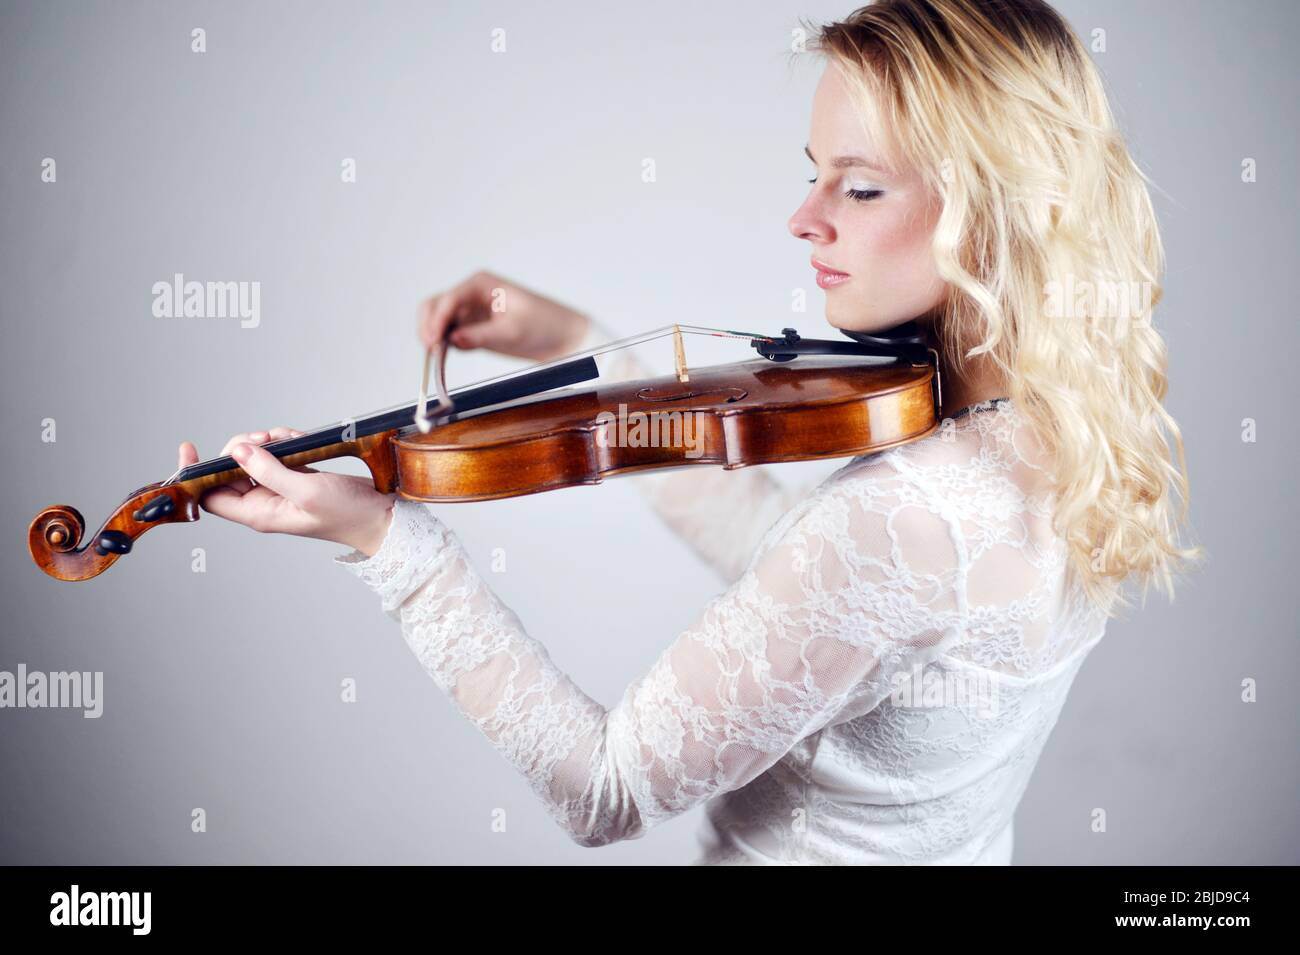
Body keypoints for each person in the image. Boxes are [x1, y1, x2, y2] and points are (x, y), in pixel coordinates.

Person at [176, 0, 1201, 863]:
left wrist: (387, 544)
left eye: (859, 184)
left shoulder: (905, 516)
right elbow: (800, 579)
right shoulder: (1071, 437)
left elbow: (605, 789)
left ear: (992, 207)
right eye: (812, 172)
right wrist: (579, 345)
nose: (804, 217)